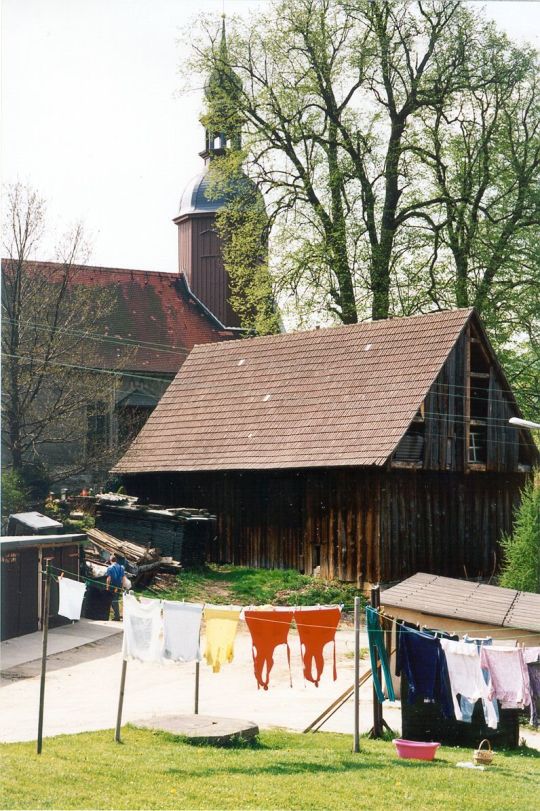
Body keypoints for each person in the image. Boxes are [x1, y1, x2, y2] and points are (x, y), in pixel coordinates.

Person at [106, 554, 125, 621]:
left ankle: (117, 616)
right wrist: (122, 587)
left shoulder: (110, 568)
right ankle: (116, 615)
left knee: (114, 601)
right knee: (115, 600)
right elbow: (123, 578)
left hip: (112, 586)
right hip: (119, 586)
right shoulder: (121, 567)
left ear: (110, 560)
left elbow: (109, 578)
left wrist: (107, 587)